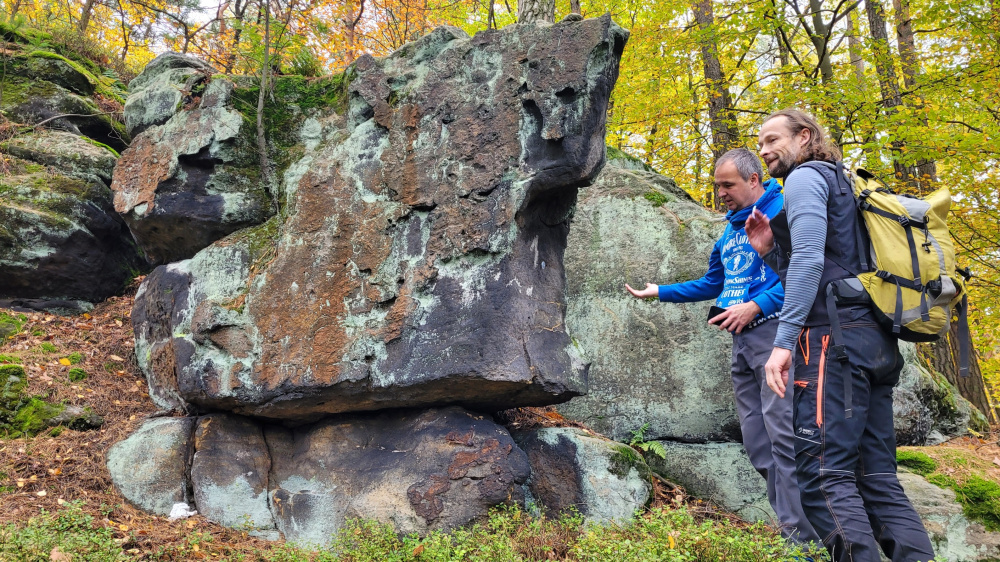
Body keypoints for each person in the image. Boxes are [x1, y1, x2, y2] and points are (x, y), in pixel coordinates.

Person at [745, 108, 935, 561]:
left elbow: (811, 261)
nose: (764, 150)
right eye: (760, 143)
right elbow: (835, 264)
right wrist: (770, 251)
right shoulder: (843, 181)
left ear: (804, 136)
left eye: (772, 140)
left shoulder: (804, 178)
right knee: (877, 479)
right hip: (873, 339)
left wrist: (783, 343)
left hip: (833, 343)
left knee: (823, 477)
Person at [626, 147, 818, 545]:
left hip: (777, 337)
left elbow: (806, 273)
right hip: (741, 343)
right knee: (758, 444)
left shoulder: (783, 211)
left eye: (728, 184)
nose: (721, 193)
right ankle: (794, 531)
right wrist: (659, 291)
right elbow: (712, 283)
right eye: (717, 186)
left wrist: (758, 305)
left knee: (784, 440)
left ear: (753, 179)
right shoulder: (730, 231)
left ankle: (807, 542)